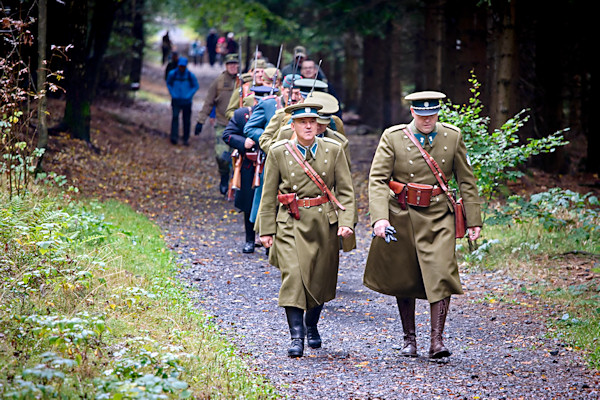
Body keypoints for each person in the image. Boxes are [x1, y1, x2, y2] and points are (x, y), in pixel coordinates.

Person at [363, 91, 482, 359]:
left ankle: (436, 341)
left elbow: (467, 180)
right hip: (402, 214)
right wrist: (380, 217)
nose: (427, 119)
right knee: (405, 275)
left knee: (441, 272)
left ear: (438, 113)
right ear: (412, 112)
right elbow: (378, 179)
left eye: (432, 114)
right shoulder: (393, 137)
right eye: (421, 114)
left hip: (440, 214)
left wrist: (473, 220)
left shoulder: (452, 136)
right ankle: (409, 340)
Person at [258, 103, 356, 358]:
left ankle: (311, 324)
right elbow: (268, 194)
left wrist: (346, 222)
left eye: (313, 121)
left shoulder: (334, 150)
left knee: (320, 277)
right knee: (293, 274)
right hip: (290, 221)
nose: (309, 126)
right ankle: (296, 336)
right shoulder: (279, 152)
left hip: (324, 223)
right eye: (302, 122)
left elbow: (345, 191)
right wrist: (266, 230)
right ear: (293, 125)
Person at [195, 53, 240, 194]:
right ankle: (224, 176)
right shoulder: (219, 82)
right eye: (230, 64)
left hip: (240, 126)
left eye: (235, 64)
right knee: (221, 156)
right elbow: (209, 102)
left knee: (239, 157)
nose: (233, 66)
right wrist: (200, 121)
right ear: (226, 66)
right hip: (223, 124)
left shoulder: (244, 81)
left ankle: (236, 182)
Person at [222, 95, 258, 253]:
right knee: (248, 202)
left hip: (273, 162)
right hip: (249, 164)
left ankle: (270, 243)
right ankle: (249, 240)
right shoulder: (242, 115)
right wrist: (243, 143)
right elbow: (228, 135)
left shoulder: (278, 113)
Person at [166, 56, 199, 146]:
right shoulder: (173, 74)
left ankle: (186, 138)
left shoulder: (190, 75)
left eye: (183, 66)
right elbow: (168, 83)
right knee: (175, 118)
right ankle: (174, 137)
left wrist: (189, 95)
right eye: (180, 66)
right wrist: (173, 93)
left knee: (186, 120)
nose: (182, 68)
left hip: (187, 101)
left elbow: (195, 86)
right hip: (176, 100)